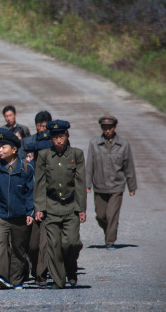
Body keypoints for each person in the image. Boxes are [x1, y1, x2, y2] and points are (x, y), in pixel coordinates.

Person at [34, 120, 86, 288]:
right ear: (50, 139)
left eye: (61, 137)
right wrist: (40, 207)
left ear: (67, 136)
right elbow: (40, 183)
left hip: (71, 207)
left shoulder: (76, 155)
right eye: (55, 137)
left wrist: (81, 208)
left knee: (71, 243)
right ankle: (59, 280)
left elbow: (80, 182)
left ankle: (71, 268)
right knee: (54, 245)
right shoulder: (44, 155)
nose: (58, 141)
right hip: (51, 206)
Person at [0, 130, 35, 290]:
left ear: (14, 149)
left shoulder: (27, 168)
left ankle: (16, 280)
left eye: (4, 147)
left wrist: (30, 212)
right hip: (0, 214)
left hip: (20, 215)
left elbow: (31, 193)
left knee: (18, 249)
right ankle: (1, 276)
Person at [86, 116, 137, 250]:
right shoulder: (94, 143)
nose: (107, 130)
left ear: (114, 128)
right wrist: (87, 184)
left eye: (110, 128)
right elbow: (89, 165)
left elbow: (129, 166)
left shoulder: (123, 144)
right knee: (101, 216)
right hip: (99, 186)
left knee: (111, 215)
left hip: (116, 186)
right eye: (105, 128)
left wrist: (132, 186)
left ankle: (110, 242)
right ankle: (109, 231)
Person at [23, 132, 53, 286]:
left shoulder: (53, 170)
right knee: (33, 246)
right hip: (33, 212)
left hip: (51, 212)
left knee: (44, 245)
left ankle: (41, 276)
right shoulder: (29, 170)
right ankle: (35, 269)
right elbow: (26, 193)